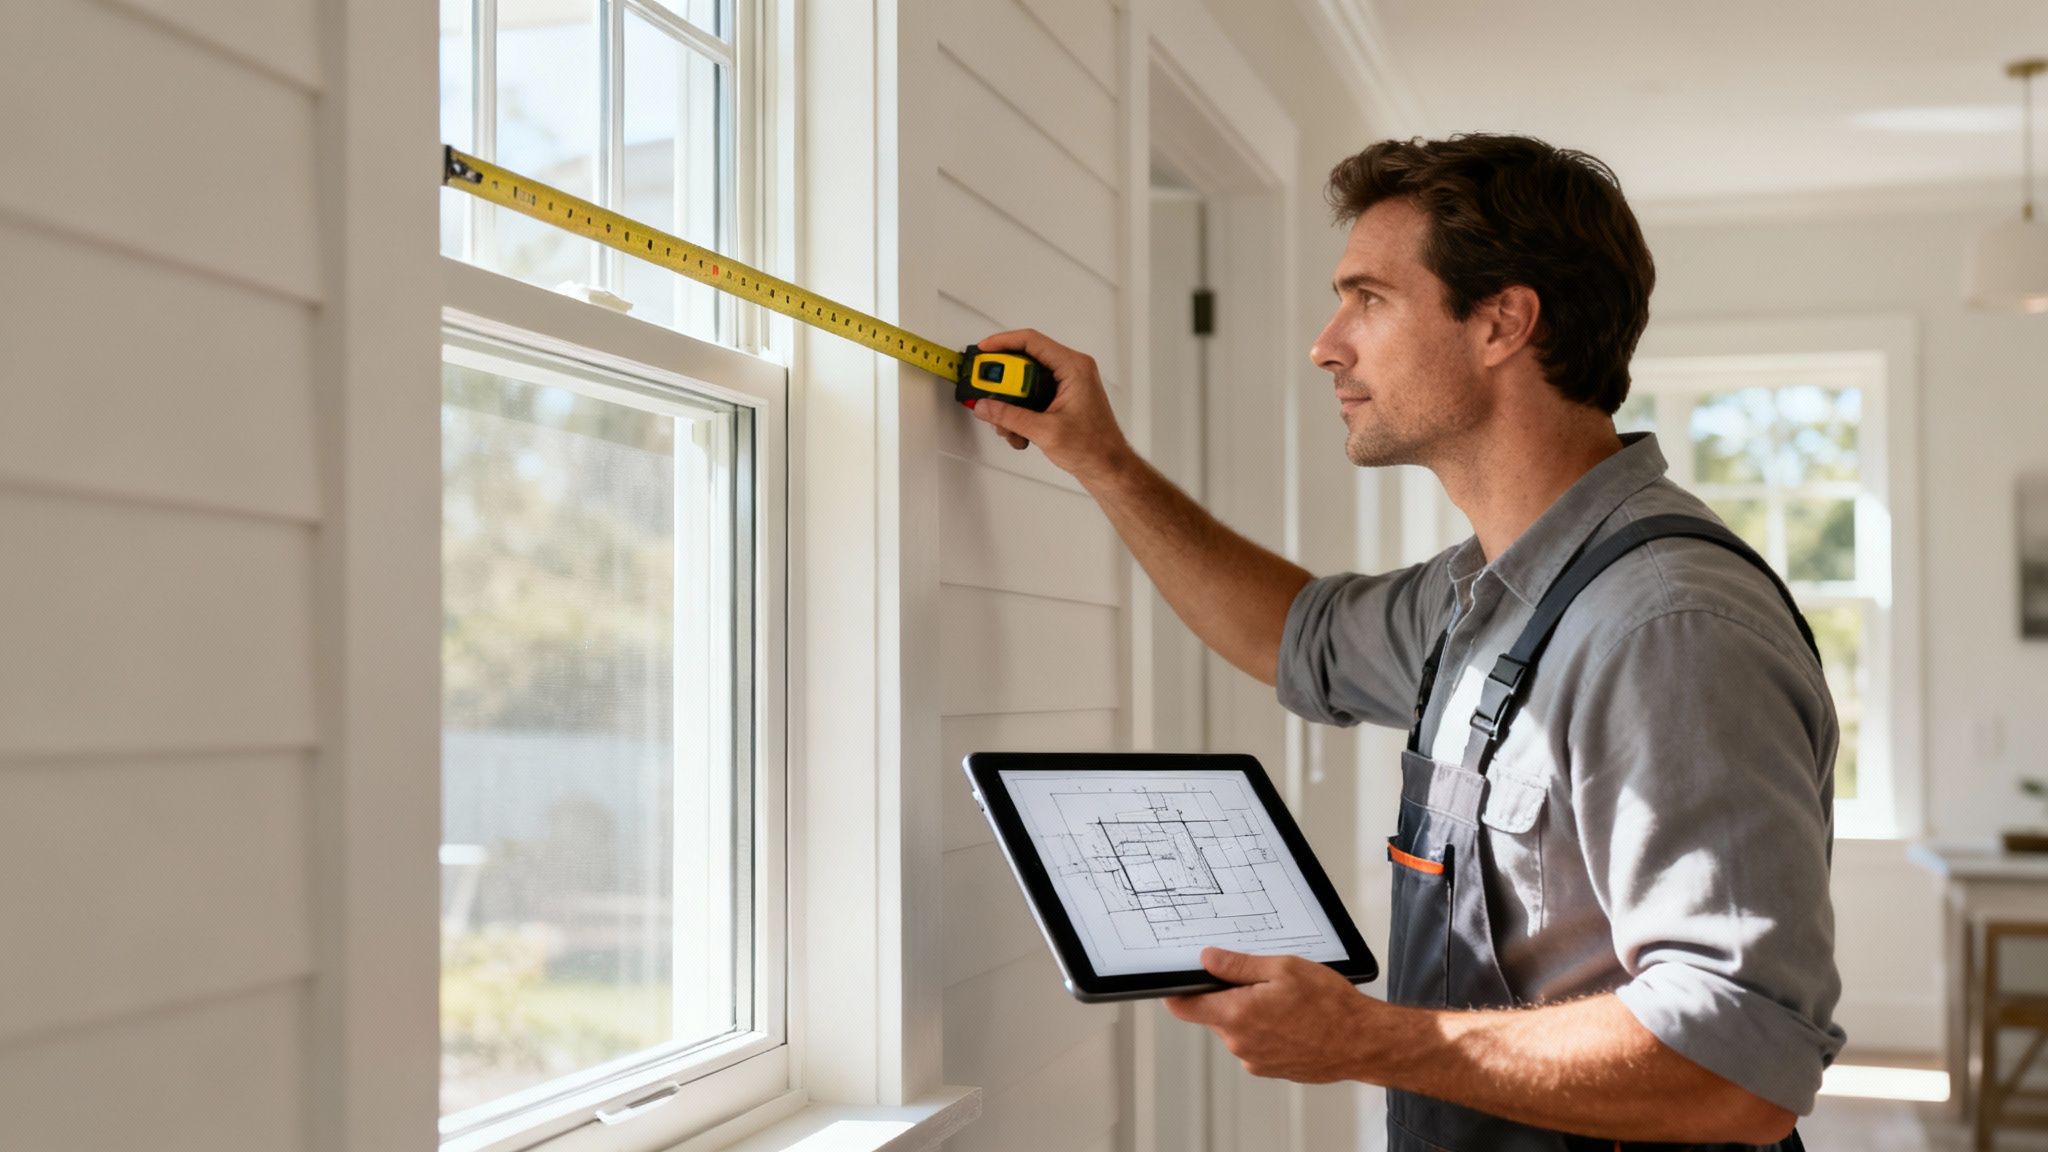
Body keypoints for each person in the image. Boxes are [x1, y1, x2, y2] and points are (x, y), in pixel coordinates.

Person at [966, 134, 1842, 1151]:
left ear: (1501, 323)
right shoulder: (1484, 592)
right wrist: (1105, 464)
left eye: (1367, 299)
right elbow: (1298, 636)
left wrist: (1370, 1040)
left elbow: (1736, 1067)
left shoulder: (1665, 627)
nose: (1325, 343)